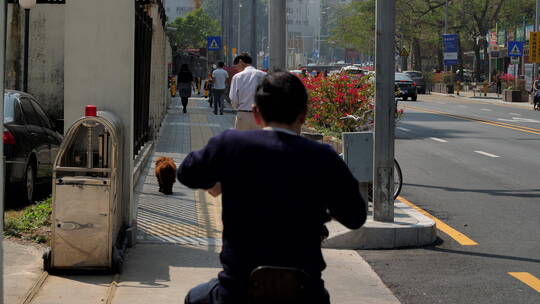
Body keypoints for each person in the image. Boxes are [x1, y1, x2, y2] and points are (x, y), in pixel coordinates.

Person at [178, 71, 367, 304]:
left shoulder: (230, 144)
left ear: (256, 113)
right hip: (304, 293)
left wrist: (219, 181)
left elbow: (186, 173)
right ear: (303, 114)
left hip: (236, 291)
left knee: (194, 298)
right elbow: (356, 217)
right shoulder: (324, 157)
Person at [229, 53, 267, 130]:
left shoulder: (237, 77)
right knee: (258, 141)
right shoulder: (264, 75)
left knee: (241, 141)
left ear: (240, 62)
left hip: (243, 115)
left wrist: (237, 108)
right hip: (260, 116)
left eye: (237, 66)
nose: (237, 69)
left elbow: (233, 99)